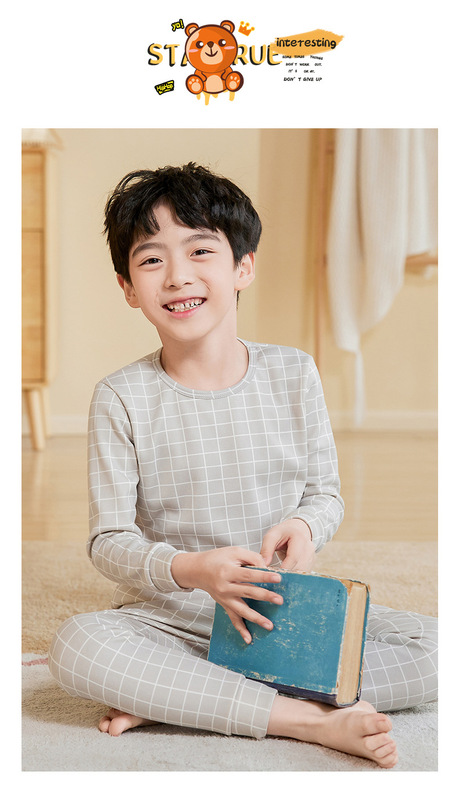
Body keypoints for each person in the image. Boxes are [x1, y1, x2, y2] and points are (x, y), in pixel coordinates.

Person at [48, 163, 437, 769]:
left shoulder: (294, 371)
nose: (178, 275)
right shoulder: (120, 396)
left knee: (436, 650)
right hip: (170, 621)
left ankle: (186, 697)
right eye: (151, 260)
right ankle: (307, 718)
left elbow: (325, 495)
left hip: (281, 615)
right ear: (128, 287)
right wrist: (193, 569)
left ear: (243, 267)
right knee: (77, 647)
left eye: (200, 250)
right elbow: (109, 541)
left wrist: (304, 528)